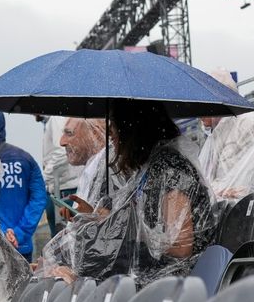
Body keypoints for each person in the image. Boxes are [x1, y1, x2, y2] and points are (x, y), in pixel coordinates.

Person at [38, 103, 217, 288]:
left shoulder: (171, 168)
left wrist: (126, 230)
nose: (111, 136)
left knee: (79, 276)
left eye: (114, 127)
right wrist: (102, 220)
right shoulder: (150, 168)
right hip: (151, 274)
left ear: (132, 129)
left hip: (172, 284)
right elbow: (136, 222)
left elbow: (180, 247)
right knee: (68, 263)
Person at [0, 109, 48, 262]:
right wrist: (18, 233)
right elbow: (39, 198)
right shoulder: (25, 159)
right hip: (19, 245)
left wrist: (0, 233)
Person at [198, 69, 254, 194]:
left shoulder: (248, 124)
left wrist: (210, 192)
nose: (198, 113)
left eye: (203, 102)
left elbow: (239, 184)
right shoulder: (216, 134)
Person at [58, 118, 124, 217]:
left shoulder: (109, 169)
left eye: (69, 133)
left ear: (95, 134)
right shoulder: (95, 167)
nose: (62, 142)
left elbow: (114, 224)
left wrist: (90, 218)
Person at [41, 116, 84, 236]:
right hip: (64, 187)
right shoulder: (52, 120)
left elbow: (61, 152)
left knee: (64, 245)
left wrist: (43, 179)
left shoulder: (56, 118)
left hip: (64, 190)